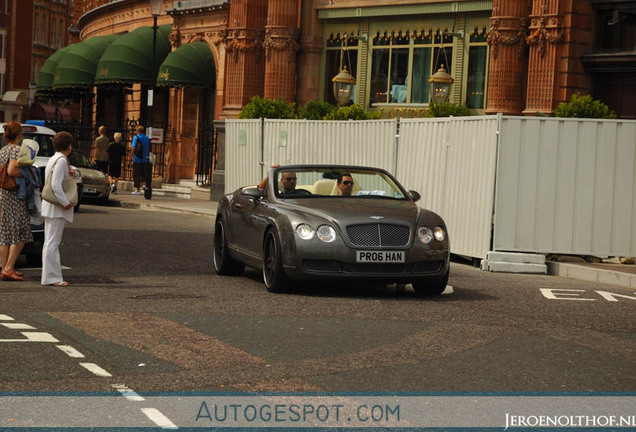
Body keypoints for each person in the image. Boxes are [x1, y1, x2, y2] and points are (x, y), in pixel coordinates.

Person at [41, 131, 76, 287]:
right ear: (68, 146)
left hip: (49, 206)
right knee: (53, 242)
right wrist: (65, 202)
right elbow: (55, 185)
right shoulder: (62, 160)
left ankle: (49, 276)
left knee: (49, 241)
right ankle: (52, 277)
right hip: (56, 207)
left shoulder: (53, 159)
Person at [0, 122, 33, 281]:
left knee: (5, 233)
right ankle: (8, 268)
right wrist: (27, 172)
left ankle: (6, 267)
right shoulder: (17, 150)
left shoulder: (3, 150)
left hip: (3, 195)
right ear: (19, 134)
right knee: (21, 233)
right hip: (15, 196)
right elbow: (12, 170)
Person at [131, 125, 150, 195]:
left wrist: (130, 156)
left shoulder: (136, 138)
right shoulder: (147, 138)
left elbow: (133, 148)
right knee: (144, 174)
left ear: (138, 131)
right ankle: (144, 186)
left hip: (137, 159)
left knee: (136, 174)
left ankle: (138, 190)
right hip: (145, 159)